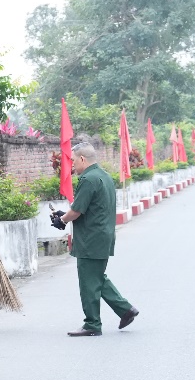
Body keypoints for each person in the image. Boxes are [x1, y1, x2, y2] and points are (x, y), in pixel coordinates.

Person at [50, 142, 138, 336]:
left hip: (90, 238)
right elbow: (89, 207)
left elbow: (77, 210)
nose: (72, 165)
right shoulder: (104, 176)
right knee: (96, 278)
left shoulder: (88, 179)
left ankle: (92, 324)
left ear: (82, 159)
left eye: (73, 161)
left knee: (88, 281)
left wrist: (62, 219)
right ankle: (125, 310)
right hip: (102, 235)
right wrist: (67, 215)